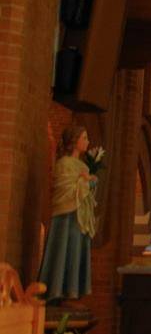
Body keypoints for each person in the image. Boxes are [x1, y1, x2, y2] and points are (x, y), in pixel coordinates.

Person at [38, 125, 98, 303]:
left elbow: (86, 193)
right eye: (84, 138)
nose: (87, 142)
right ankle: (55, 291)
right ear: (74, 140)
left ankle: (71, 292)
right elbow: (65, 188)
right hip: (66, 216)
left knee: (76, 252)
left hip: (80, 218)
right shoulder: (64, 163)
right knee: (63, 250)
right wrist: (85, 182)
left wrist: (91, 183)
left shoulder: (83, 166)